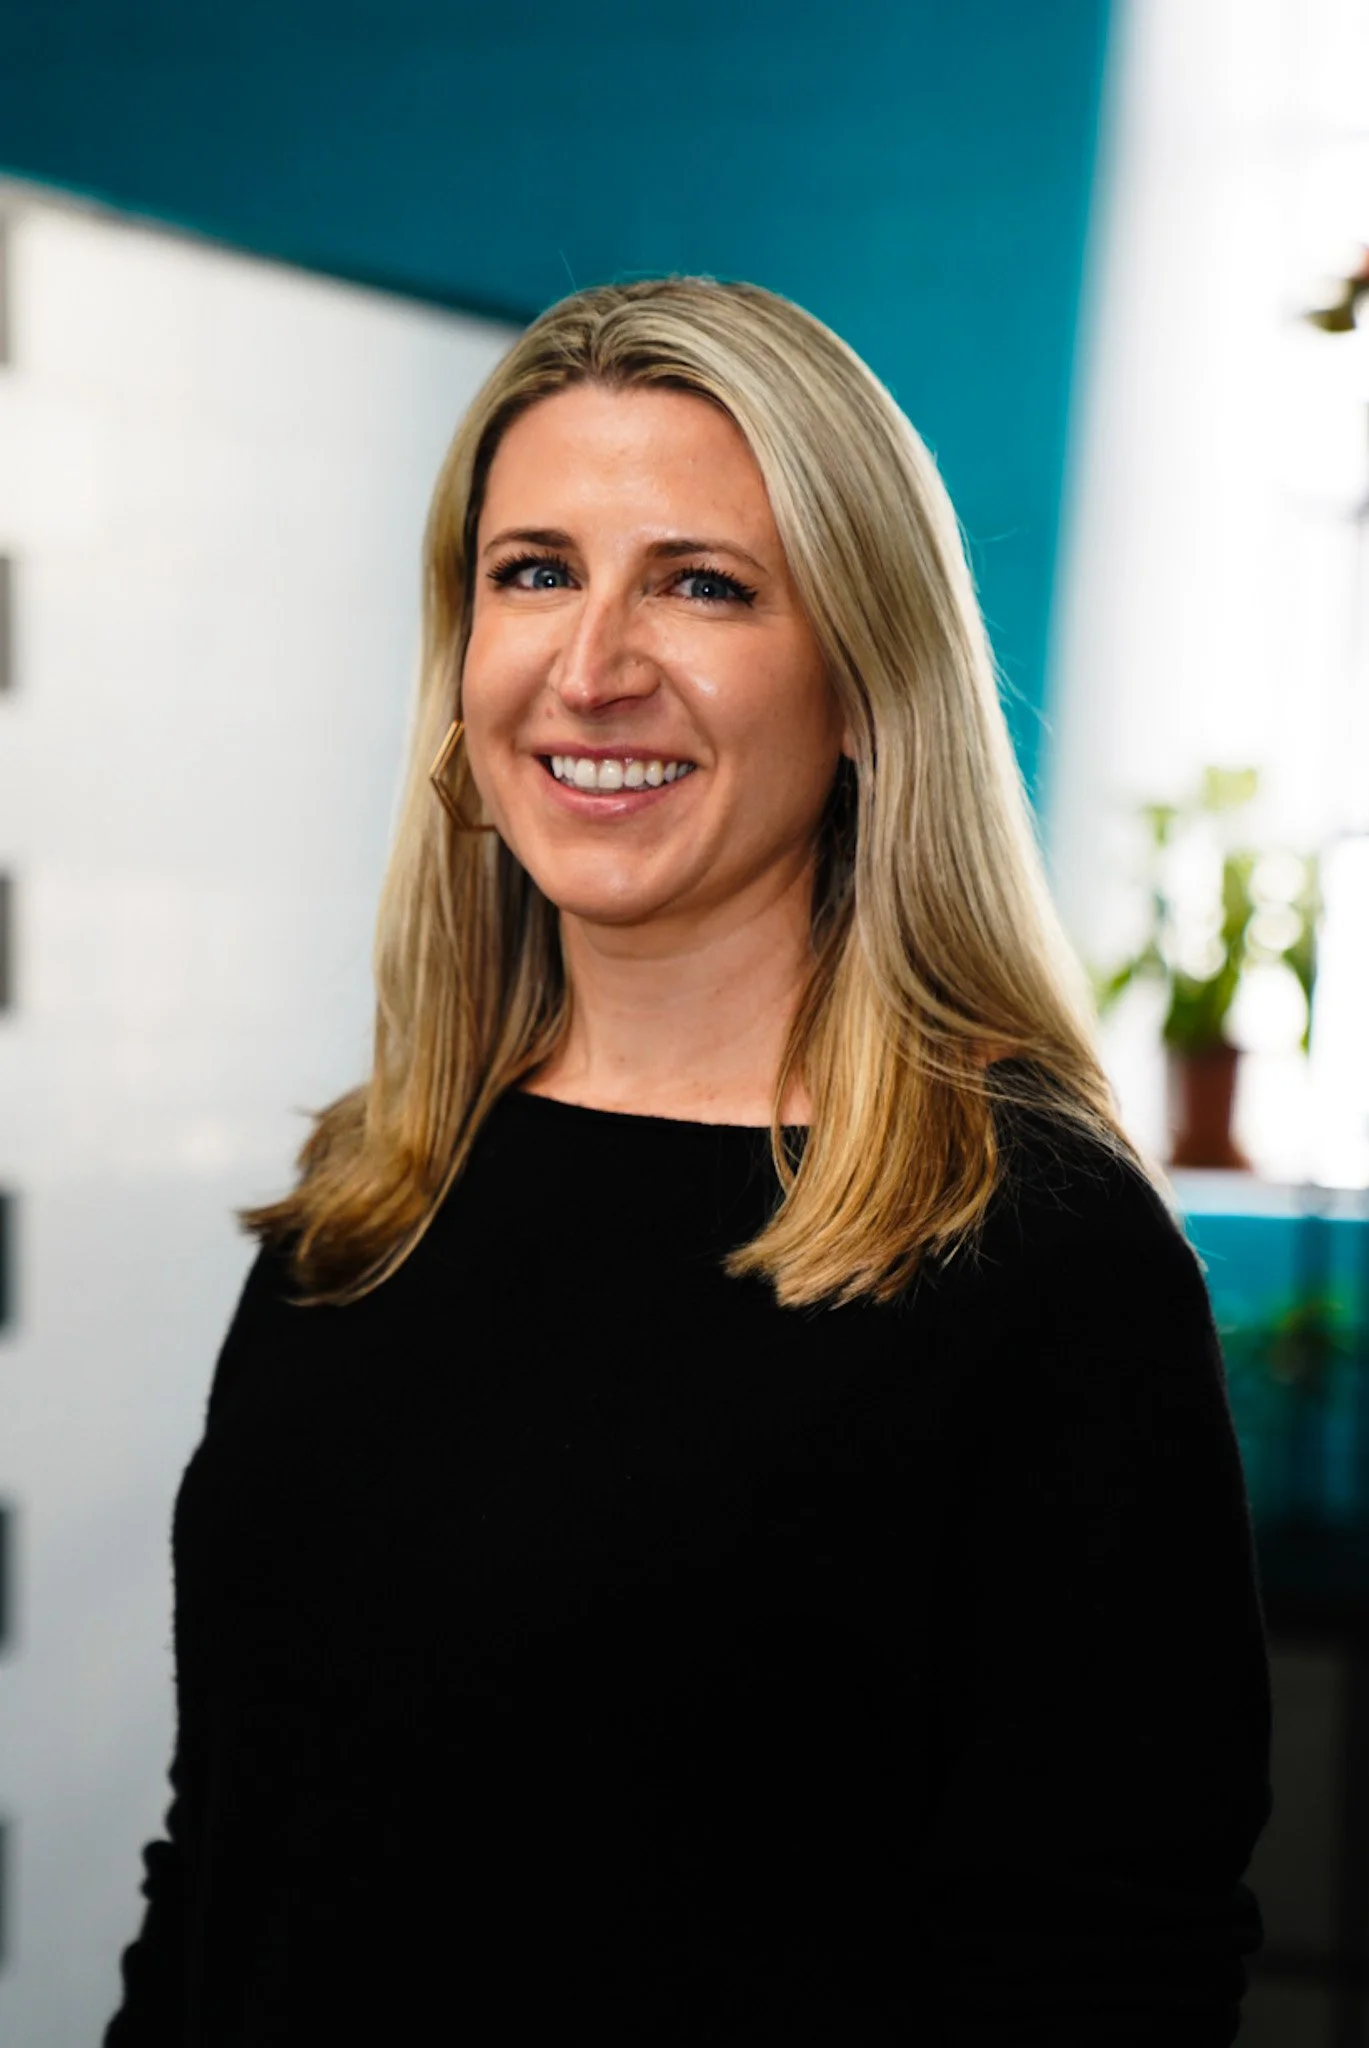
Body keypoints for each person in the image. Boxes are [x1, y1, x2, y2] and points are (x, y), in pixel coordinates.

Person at [105, 276, 1271, 2046]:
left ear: (869, 685)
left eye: (701, 584)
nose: (591, 668)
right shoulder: (377, 1191)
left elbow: (1106, 1972)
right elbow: (222, 1862)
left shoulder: (1036, 1255)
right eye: (534, 572)